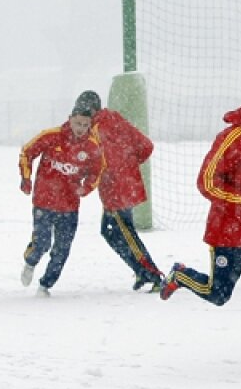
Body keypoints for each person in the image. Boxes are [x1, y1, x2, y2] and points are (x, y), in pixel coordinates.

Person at [158, 79, 241, 379]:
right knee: (218, 294)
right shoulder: (231, 137)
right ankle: (181, 275)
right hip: (228, 234)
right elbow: (205, 182)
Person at [74, 90, 164, 292]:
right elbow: (146, 146)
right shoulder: (115, 119)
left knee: (125, 234)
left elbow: (96, 162)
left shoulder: (93, 130)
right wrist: (129, 166)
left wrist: (113, 172)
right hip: (128, 184)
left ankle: (154, 275)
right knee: (110, 232)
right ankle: (141, 270)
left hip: (115, 190)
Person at [18, 105, 103, 296]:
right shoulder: (51, 136)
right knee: (42, 242)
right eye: (77, 123)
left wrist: (86, 187)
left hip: (69, 205)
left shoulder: (92, 146)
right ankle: (30, 262)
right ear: (70, 119)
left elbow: (97, 171)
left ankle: (45, 285)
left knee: (62, 249)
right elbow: (27, 152)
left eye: (85, 124)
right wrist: (26, 177)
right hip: (44, 201)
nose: (81, 128)